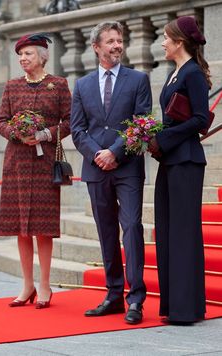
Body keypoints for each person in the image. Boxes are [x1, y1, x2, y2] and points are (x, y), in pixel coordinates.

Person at [71, 21, 152, 324]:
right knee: (107, 233)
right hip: (96, 170)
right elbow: (78, 130)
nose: (118, 45)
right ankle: (114, 295)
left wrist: (115, 152)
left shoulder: (138, 80)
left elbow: (141, 122)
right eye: (111, 41)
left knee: (131, 228)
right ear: (96, 47)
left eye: (120, 40)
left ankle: (136, 300)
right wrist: (97, 155)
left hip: (128, 167)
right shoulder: (81, 85)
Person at [0, 33, 71, 308]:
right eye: (20, 54)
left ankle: (45, 284)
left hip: (44, 163)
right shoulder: (11, 86)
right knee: (21, 228)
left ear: (42, 56)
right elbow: (0, 121)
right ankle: (27, 284)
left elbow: (70, 121)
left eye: (28, 54)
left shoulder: (58, 84)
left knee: (43, 227)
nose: (22, 59)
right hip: (16, 162)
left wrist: (45, 134)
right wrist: (16, 133)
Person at [148, 16, 212, 324]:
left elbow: (201, 119)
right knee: (168, 231)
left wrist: (164, 137)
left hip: (186, 160)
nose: (162, 43)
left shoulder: (193, 74)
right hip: (171, 159)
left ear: (179, 42)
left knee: (184, 233)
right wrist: (152, 135)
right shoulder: (175, 73)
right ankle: (174, 305)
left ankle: (187, 309)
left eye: (165, 38)